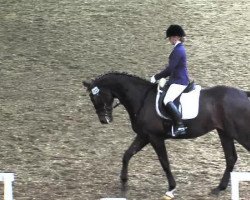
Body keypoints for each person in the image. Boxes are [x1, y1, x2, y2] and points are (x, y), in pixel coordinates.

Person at [151, 24, 189, 136]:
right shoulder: (178, 49)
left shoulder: (178, 50)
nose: (169, 40)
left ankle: (180, 126)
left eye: (170, 37)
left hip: (180, 81)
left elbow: (170, 69)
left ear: (175, 37)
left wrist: (156, 77)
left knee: (167, 100)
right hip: (175, 79)